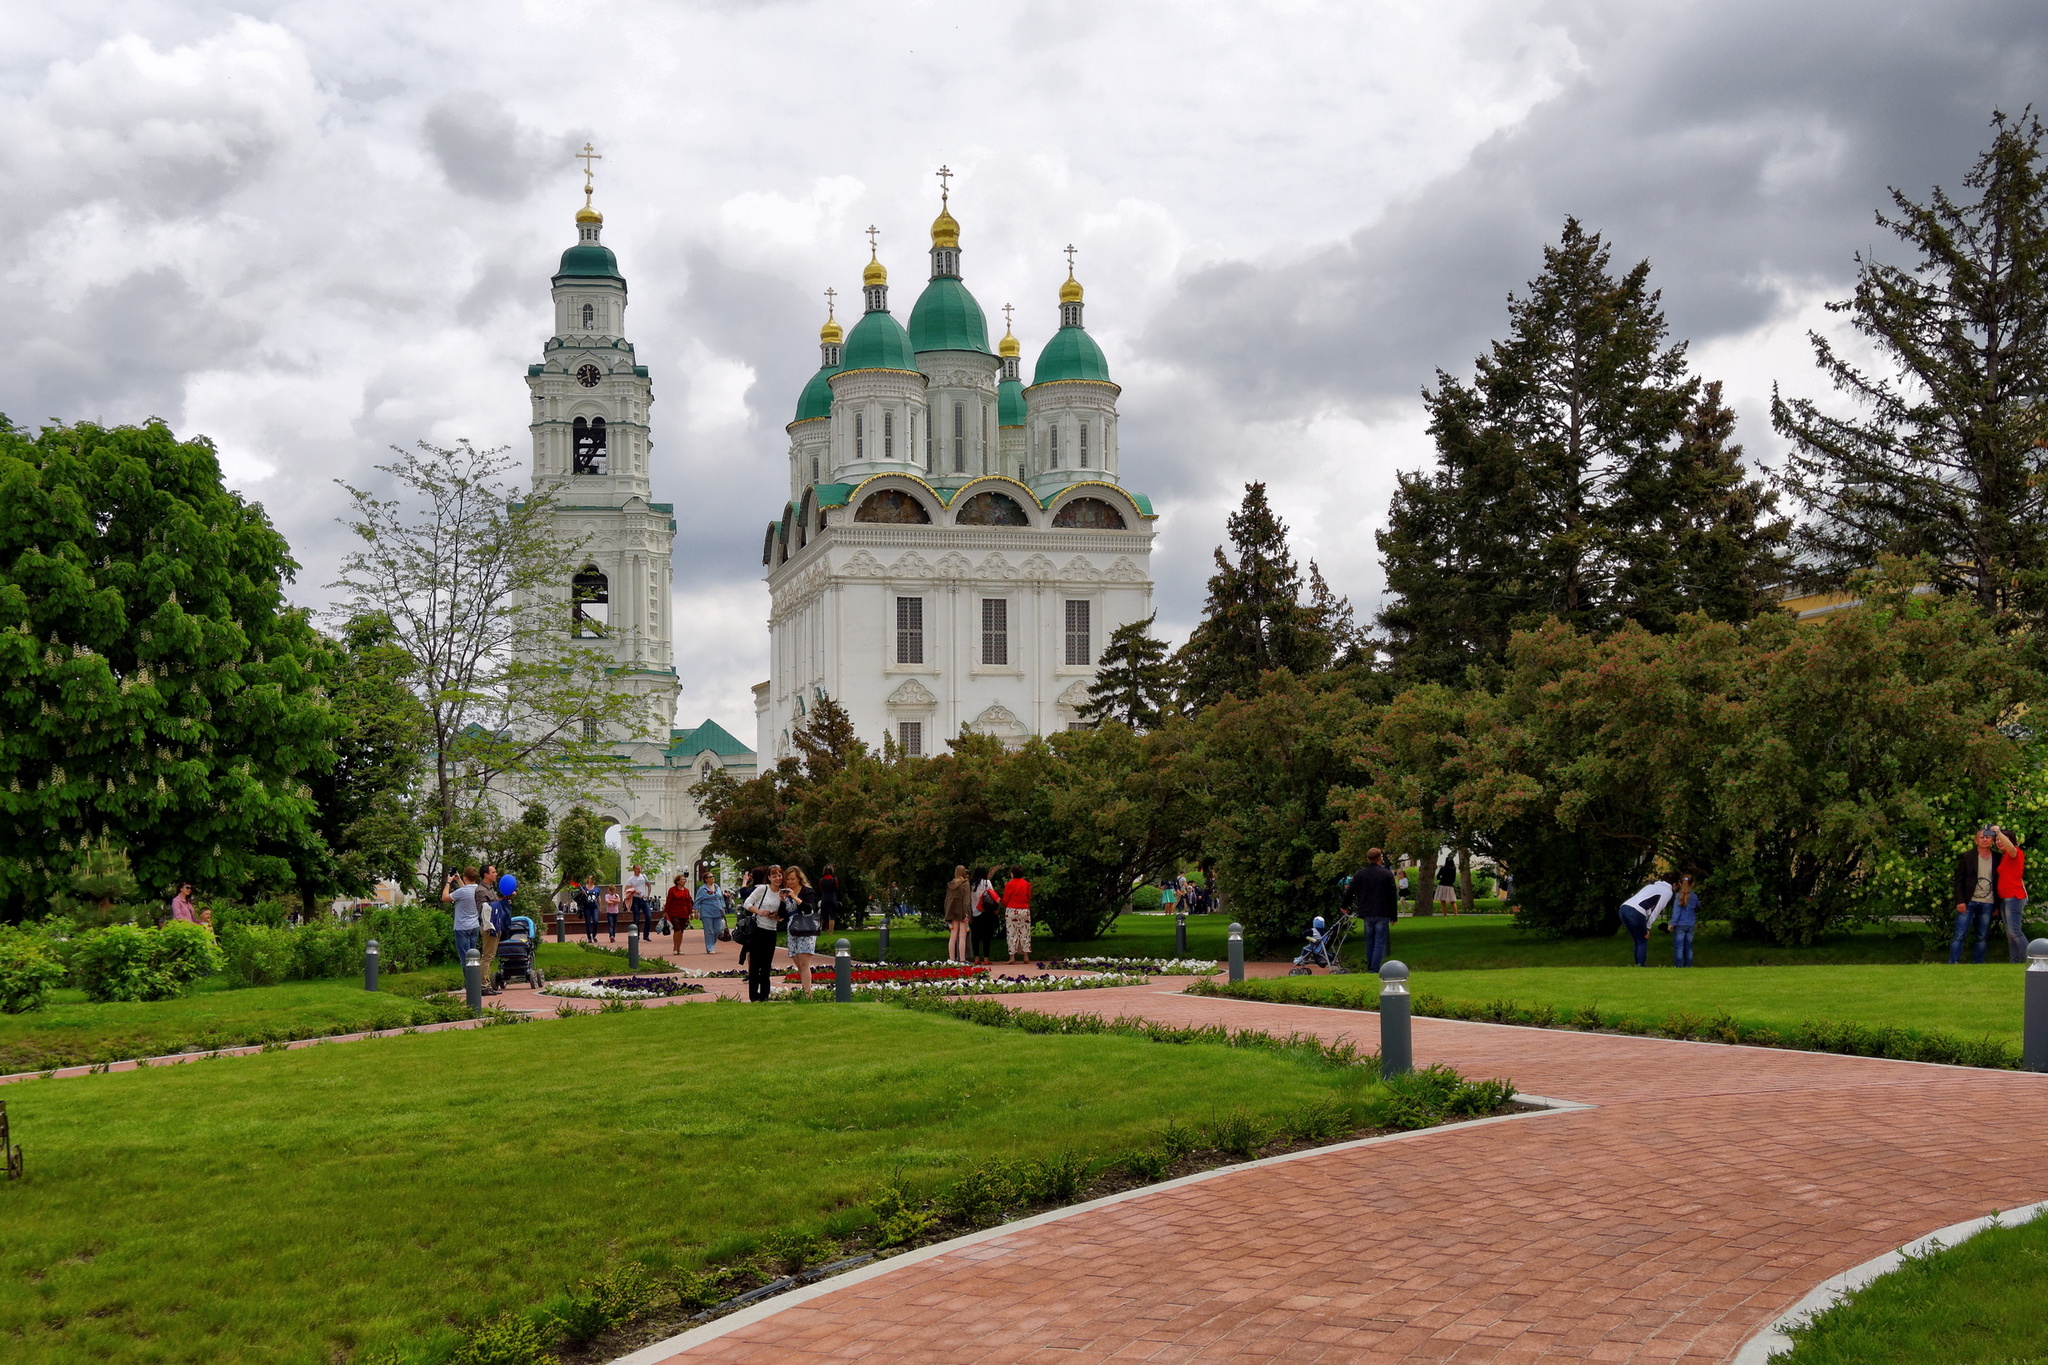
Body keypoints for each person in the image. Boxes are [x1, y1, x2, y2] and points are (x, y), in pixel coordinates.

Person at [1952, 827, 2004, 964]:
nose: (1985, 839)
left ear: (1992, 840)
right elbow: (1958, 881)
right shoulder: (1967, 857)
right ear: (1976, 840)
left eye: (1988, 837)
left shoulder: (1998, 857)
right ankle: (1953, 963)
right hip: (1969, 901)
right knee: (1959, 934)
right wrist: (1960, 901)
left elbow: (1999, 881)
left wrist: (1997, 905)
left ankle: (1979, 964)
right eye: (1982, 837)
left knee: (1982, 936)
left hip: (1988, 902)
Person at [1350, 848, 1398, 972]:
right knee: (1379, 942)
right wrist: (1394, 915)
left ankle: (1370, 966)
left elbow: (1350, 890)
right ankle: (1374, 968)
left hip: (1367, 911)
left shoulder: (1360, 874)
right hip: (1382, 911)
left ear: (1368, 858)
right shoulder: (1386, 874)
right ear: (1380, 858)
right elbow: (1392, 895)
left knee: (1369, 942)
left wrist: (1344, 905)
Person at [743, 868, 786, 1001]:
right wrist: (759, 912)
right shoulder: (763, 889)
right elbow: (747, 903)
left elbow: (783, 916)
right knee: (755, 965)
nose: (777, 878)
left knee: (766, 966)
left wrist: (776, 916)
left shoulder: (782, 893)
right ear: (769, 877)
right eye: (774, 876)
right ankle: (754, 996)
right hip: (758, 930)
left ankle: (764, 996)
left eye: (779, 875)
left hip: (771, 931)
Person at [784, 866, 827, 989]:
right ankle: (805, 990)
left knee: (804, 963)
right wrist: (783, 900)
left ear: (799, 879)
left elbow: (808, 908)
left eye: (793, 879)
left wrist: (795, 897)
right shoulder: (787, 894)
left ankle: (807, 993)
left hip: (806, 928)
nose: (790, 882)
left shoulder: (807, 891)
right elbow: (784, 913)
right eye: (788, 879)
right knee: (797, 961)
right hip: (792, 928)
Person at [1618, 876, 1674, 967]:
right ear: (1674, 884)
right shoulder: (1668, 891)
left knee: (1637, 939)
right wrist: (1648, 926)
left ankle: (1637, 965)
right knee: (1642, 940)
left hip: (1624, 908)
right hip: (1636, 911)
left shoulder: (1651, 886)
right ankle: (1640, 966)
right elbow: (1657, 910)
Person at [1994, 827, 2029, 963]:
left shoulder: (2015, 853)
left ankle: (2031, 959)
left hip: (2014, 896)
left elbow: (2011, 849)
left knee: (2015, 931)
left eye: (2002, 839)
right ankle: (2014, 961)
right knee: (2010, 934)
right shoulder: (2004, 856)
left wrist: (1998, 832)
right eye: (1996, 840)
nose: (1998, 841)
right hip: (2005, 897)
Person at [441, 867, 484, 963]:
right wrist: (458, 880)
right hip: (474, 926)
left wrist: (448, 882)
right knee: (473, 957)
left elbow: (444, 897)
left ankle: (468, 978)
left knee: (465, 958)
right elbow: (466, 890)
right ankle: (474, 976)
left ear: (466, 878)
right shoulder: (478, 890)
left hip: (462, 928)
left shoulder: (462, 892)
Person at [1001, 865, 1034, 963]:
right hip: (1024, 909)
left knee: (1011, 933)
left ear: (1012, 874)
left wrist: (1006, 904)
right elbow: (1028, 897)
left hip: (1012, 909)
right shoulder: (1026, 884)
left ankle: (1012, 957)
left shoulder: (1009, 884)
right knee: (1025, 932)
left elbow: (1005, 899)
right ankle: (1026, 956)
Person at [968, 867, 999, 964]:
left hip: (974, 912)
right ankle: (986, 958)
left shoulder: (971, 884)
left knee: (975, 936)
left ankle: (976, 958)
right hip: (986, 912)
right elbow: (992, 895)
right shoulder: (987, 883)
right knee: (986, 936)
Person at [1669, 874, 1700, 967]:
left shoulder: (1679, 896)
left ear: (1680, 883)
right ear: (1693, 884)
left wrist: (1672, 924)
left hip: (1680, 925)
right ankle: (1688, 965)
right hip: (1690, 924)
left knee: (1679, 947)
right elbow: (1697, 905)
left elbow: (1676, 911)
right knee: (1689, 947)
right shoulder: (1694, 896)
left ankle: (1678, 966)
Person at [943, 866, 972, 963]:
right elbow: (966, 900)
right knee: (962, 936)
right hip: (962, 911)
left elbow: (947, 900)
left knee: (953, 935)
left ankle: (951, 959)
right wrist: (967, 914)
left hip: (952, 911)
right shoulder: (965, 884)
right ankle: (962, 959)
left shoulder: (951, 884)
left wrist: (947, 913)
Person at [694, 875, 726, 954]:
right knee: (709, 931)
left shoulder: (717, 887)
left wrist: (723, 908)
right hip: (706, 911)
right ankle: (710, 947)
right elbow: (697, 900)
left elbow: (721, 898)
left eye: (713, 876)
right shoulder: (702, 889)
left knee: (717, 930)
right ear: (706, 879)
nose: (712, 878)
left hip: (717, 911)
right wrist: (696, 911)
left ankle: (711, 943)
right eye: (710, 877)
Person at [665, 874, 693, 954]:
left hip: (684, 912)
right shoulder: (672, 890)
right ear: (678, 881)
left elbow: (688, 902)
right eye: (683, 879)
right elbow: (668, 901)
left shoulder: (686, 890)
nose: (685, 881)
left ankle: (679, 948)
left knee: (681, 931)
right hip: (674, 912)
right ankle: (675, 947)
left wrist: (690, 912)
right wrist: (666, 911)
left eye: (685, 879)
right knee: (677, 929)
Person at [626, 865, 652, 939]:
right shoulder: (631, 879)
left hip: (643, 899)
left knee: (648, 916)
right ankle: (636, 935)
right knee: (636, 918)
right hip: (635, 899)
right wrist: (633, 890)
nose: (639, 870)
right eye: (637, 869)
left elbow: (649, 885)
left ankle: (646, 934)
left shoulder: (643, 876)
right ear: (634, 869)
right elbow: (627, 890)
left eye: (640, 869)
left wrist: (648, 895)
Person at [818, 864, 841, 934]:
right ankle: (831, 932)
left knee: (822, 915)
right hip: (832, 898)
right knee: (832, 916)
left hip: (824, 897)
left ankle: (819, 930)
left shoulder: (821, 880)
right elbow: (836, 888)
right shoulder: (834, 880)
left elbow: (821, 889)